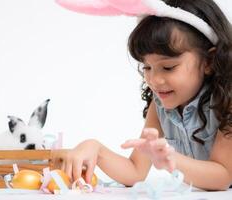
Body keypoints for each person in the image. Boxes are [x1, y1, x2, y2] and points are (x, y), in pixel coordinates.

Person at [56, 0, 232, 190]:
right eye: (147, 67)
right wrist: (96, 149)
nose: (154, 80)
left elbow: (223, 177)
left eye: (168, 67)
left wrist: (170, 159)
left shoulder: (226, 101)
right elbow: (135, 172)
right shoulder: (161, 107)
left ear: (209, 61)